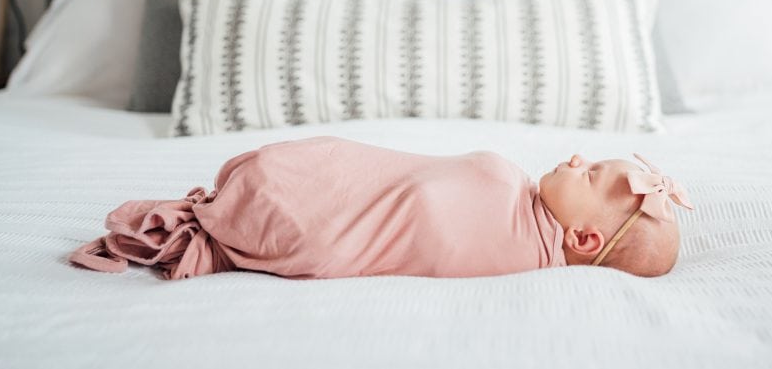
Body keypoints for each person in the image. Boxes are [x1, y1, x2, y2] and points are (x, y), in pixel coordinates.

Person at [69, 136, 692, 280]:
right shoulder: (527, 212)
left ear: (582, 241)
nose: (578, 157)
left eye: (592, 173)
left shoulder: (519, 238)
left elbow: (417, 222)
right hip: (344, 186)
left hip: (317, 215)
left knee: (297, 200)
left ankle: (241, 214)